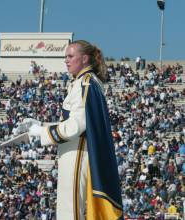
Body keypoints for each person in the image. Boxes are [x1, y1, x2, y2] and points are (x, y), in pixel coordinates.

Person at [14, 40, 123, 219]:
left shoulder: (85, 83)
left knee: (70, 211)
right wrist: (41, 125)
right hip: (74, 150)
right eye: (65, 56)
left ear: (85, 58)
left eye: (70, 56)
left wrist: (40, 132)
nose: (66, 60)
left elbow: (75, 127)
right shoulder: (84, 82)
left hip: (78, 152)